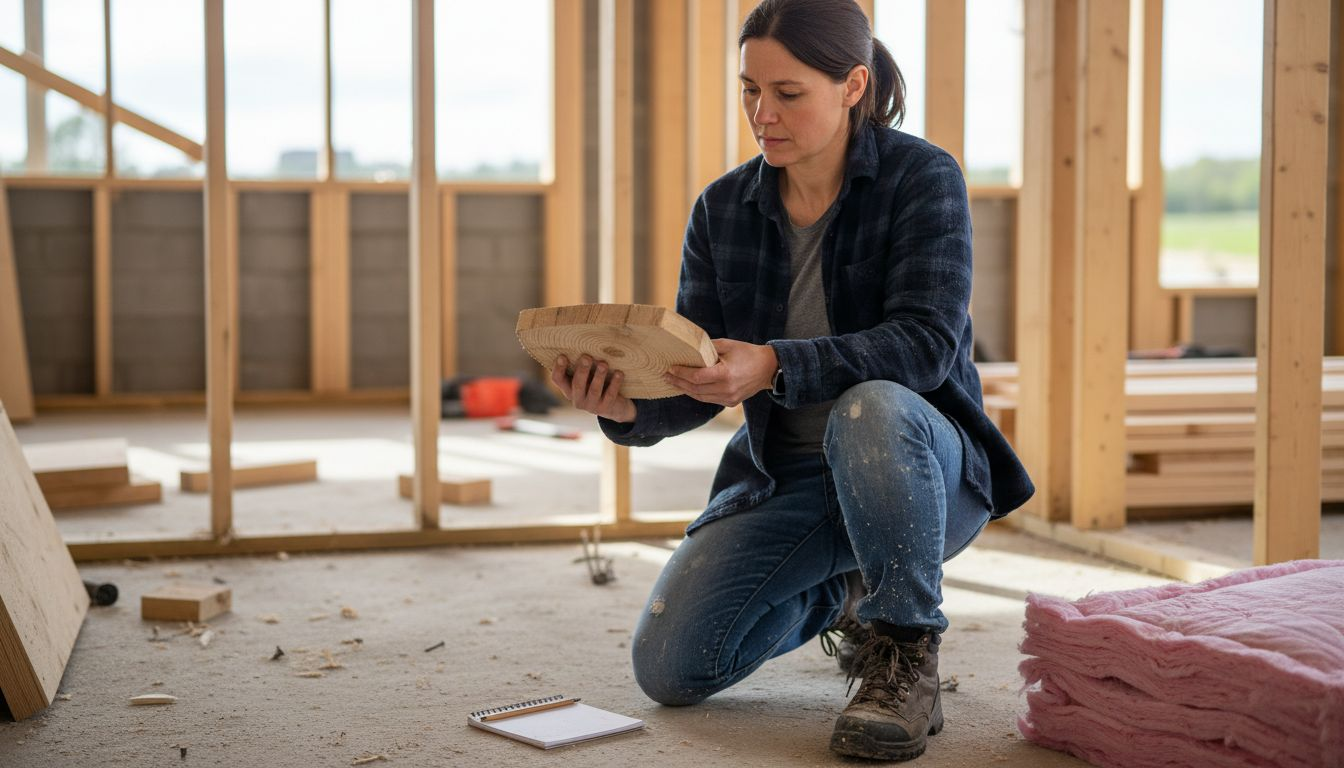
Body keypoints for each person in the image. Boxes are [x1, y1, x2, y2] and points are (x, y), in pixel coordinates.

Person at [550, 0, 1034, 760]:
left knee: (868, 407)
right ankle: (845, 592)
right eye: (749, 90)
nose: (762, 113)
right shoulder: (723, 210)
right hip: (793, 481)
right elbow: (699, 378)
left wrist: (775, 363)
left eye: (788, 93)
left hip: (921, 473)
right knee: (672, 666)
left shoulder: (922, 178)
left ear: (852, 87)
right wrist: (624, 406)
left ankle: (903, 650)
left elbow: (926, 347)